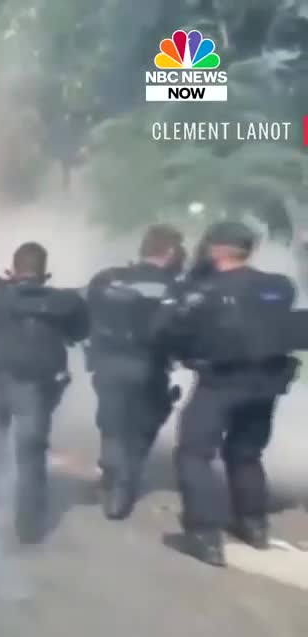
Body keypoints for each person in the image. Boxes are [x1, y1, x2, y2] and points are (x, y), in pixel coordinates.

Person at [155, 220, 299, 567]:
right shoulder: (281, 286)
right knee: (245, 453)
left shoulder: (205, 289)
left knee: (194, 452)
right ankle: (253, 525)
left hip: (221, 381)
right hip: (265, 385)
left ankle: (203, 535)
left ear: (217, 249)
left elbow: (166, 328)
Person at [0, 242, 88, 543]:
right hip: (35, 387)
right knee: (31, 457)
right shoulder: (65, 302)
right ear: (44, 273)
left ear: (13, 270)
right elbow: (79, 333)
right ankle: (29, 527)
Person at [84, 224, 187, 520]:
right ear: (169, 252)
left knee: (111, 419)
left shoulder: (107, 279)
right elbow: (183, 328)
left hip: (107, 362)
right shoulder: (176, 288)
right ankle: (121, 487)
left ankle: (110, 465)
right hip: (149, 366)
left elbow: (85, 313)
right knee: (142, 426)